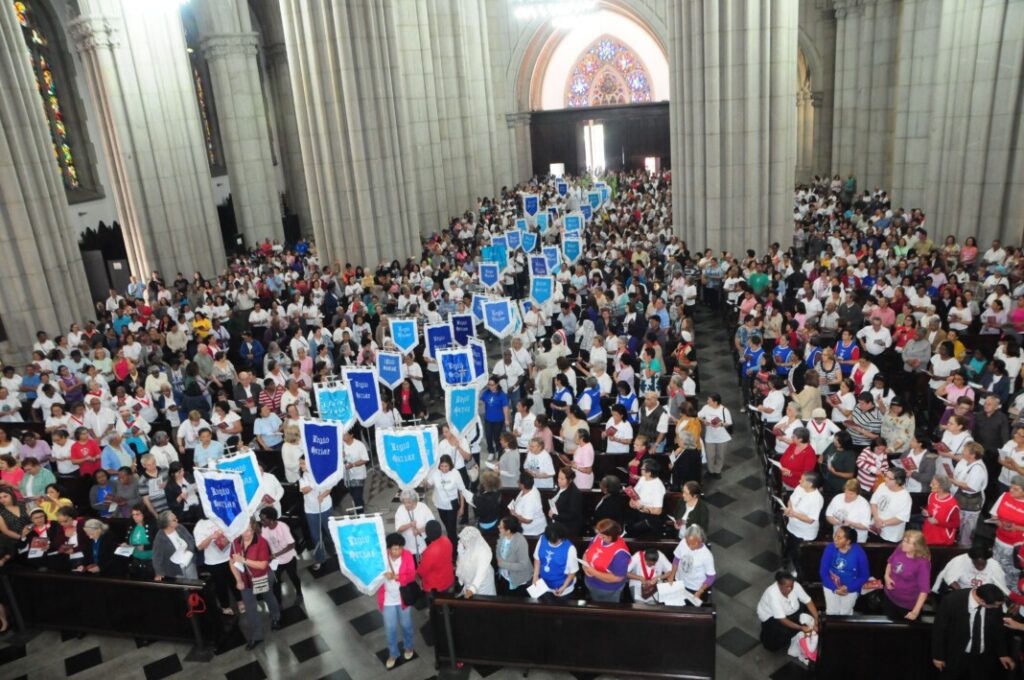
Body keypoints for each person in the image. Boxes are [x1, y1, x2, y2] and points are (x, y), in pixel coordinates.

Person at [931, 584, 1015, 677]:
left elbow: (998, 629)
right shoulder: (952, 600)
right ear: (982, 601)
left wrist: (1002, 653)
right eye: (995, 605)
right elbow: (939, 629)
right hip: (955, 654)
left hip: (983, 656)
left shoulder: (994, 600)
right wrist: (938, 656)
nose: (997, 607)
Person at [230, 518, 282, 651]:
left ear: (253, 529)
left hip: (262, 577)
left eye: (248, 530)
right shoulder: (236, 542)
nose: (246, 533)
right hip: (246, 581)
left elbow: (263, 565)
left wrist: (244, 560)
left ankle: (275, 617)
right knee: (250, 607)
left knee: (268, 596)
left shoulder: (261, 542)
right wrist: (238, 580)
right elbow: (232, 561)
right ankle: (257, 635)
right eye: (243, 530)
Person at [756, 571, 820, 666]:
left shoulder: (795, 585)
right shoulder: (772, 594)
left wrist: (817, 620)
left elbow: (808, 601)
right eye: (787, 587)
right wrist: (801, 628)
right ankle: (766, 633)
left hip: (791, 611)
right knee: (773, 645)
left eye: (791, 586)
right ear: (779, 585)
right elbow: (782, 619)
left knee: (803, 621)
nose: (790, 589)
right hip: (772, 618)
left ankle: (796, 633)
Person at [819, 526, 870, 615]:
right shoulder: (830, 548)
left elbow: (864, 575)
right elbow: (823, 572)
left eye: (839, 537)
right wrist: (834, 588)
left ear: (848, 541)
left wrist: (848, 587)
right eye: (835, 535)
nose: (835, 539)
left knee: (845, 613)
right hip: (831, 585)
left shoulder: (859, 552)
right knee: (832, 612)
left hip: (851, 587)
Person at [194, 510, 236, 615]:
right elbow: (200, 547)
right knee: (220, 585)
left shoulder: (220, 517)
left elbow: (232, 531)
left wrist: (226, 535)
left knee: (234, 580)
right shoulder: (200, 526)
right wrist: (211, 537)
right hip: (214, 561)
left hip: (229, 556)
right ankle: (225, 606)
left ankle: (240, 600)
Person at [988, 474, 1024, 595]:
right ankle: (993, 591)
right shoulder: (1005, 496)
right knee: (995, 567)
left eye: (1016, 489)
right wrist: (999, 523)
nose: (1011, 490)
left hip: (1017, 547)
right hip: (999, 540)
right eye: (1011, 487)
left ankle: (1010, 596)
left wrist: (1017, 527)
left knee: (1012, 573)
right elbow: (994, 515)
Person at [883, 529, 931, 621]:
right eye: (904, 541)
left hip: (907, 604)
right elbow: (890, 562)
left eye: (908, 543)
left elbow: (924, 590)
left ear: (917, 546)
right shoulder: (900, 548)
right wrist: (887, 577)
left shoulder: (922, 563)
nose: (903, 544)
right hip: (890, 597)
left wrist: (915, 612)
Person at [259, 507, 302, 606]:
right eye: (261, 519)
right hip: (276, 560)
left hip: (289, 558)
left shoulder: (282, 527)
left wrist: (275, 554)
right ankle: (278, 602)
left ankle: (299, 593)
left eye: (263, 519)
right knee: (276, 580)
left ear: (271, 520)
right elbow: (263, 542)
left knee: (293, 576)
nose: (261, 521)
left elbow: (292, 544)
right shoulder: (264, 528)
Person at [785, 472, 824, 577]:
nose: (799, 481)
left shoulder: (816, 499)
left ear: (810, 484)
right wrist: (789, 508)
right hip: (792, 526)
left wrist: (794, 514)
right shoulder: (800, 488)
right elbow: (791, 500)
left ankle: (800, 575)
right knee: (791, 548)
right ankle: (788, 564)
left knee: (800, 556)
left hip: (804, 533)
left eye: (802, 480)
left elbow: (810, 520)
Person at [298, 456, 334, 571]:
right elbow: (304, 490)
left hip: (325, 507)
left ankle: (339, 552)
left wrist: (322, 496)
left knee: (331, 532)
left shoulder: (322, 472)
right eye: (300, 463)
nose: (301, 466)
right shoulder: (303, 476)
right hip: (311, 510)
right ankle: (320, 558)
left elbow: (329, 488)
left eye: (303, 463)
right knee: (315, 536)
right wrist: (314, 483)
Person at [582, 519, 630, 602]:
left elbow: (618, 578)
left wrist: (593, 572)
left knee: (608, 607)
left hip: (607, 589)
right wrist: (584, 566)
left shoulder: (620, 554)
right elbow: (587, 552)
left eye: (602, 536)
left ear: (610, 537)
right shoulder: (598, 537)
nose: (599, 537)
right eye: (598, 534)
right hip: (591, 583)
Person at [932, 545, 1009, 595]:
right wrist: (963, 594)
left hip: (985, 595)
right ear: (972, 560)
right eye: (978, 564)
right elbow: (949, 578)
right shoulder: (960, 560)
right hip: (962, 592)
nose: (980, 567)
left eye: (983, 564)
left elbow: (1001, 586)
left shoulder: (994, 565)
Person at [667, 524, 715, 603]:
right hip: (680, 581)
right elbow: (676, 559)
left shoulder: (707, 555)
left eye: (693, 544)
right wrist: (672, 576)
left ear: (700, 540)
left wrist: (700, 591)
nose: (689, 547)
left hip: (694, 588)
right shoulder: (683, 542)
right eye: (688, 543)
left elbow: (711, 577)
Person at [423, 454, 465, 544]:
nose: (444, 468)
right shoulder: (435, 472)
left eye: (446, 466)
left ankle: (453, 548)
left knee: (451, 529)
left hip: (451, 505)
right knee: (448, 526)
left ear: (450, 465)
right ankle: (453, 540)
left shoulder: (455, 473)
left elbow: (462, 491)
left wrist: (462, 507)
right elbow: (428, 485)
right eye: (442, 466)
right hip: (440, 505)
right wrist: (423, 479)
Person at [531, 522, 578, 599]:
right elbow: (537, 559)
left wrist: (563, 587)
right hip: (543, 585)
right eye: (550, 540)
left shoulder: (570, 549)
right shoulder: (542, 539)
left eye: (555, 541)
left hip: (562, 587)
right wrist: (535, 576)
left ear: (561, 537)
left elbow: (572, 572)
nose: (552, 543)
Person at [151, 510, 197, 580]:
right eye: (174, 520)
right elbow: (157, 557)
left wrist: (189, 551)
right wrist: (159, 573)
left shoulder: (180, 527)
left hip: (189, 562)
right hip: (175, 569)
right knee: (182, 585)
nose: (177, 520)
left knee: (194, 583)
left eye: (176, 518)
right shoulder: (160, 538)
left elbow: (190, 539)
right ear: (167, 524)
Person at [870, 468, 912, 543]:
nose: (885, 479)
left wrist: (883, 523)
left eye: (889, 478)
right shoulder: (882, 486)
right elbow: (874, 503)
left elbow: (901, 518)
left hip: (891, 536)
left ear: (898, 481)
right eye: (886, 476)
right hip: (875, 528)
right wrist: (876, 518)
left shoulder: (905, 496)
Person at [825, 478, 872, 544]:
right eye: (846, 492)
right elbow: (828, 515)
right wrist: (838, 523)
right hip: (838, 538)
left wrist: (851, 524)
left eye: (851, 494)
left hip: (856, 540)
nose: (847, 495)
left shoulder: (864, 505)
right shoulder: (837, 498)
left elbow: (865, 526)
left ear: (857, 493)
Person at [627, 458, 665, 538]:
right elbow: (635, 492)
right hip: (638, 514)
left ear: (649, 472)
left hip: (650, 520)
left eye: (643, 468)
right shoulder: (643, 478)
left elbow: (658, 511)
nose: (640, 469)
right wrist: (632, 501)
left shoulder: (657, 486)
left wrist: (641, 507)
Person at [493, 516, 531, 596]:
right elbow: (498, 548)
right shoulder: (502, 535)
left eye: (501, 527)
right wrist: (499, 559)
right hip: (504, 575)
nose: (498, 527)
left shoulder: (520, 542)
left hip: (517, 578)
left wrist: (503, 564)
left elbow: (522, 565)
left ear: (508, 531)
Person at [697, 393, 732, 478]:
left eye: (709, 400)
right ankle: (711, 470)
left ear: (715, 402)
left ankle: (717, 471)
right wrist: (704, 420)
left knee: (720, 455)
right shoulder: (706, 408)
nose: (707, 401)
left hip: (722, 437)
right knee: (710, 455)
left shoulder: (724, 410)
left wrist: (720, 424)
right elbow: (698, 415)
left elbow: (729, 422)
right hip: (710, 437)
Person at [455, 526, 495, 597]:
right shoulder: (467, 546)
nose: (461, 542)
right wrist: (460, 549)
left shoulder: (483, 552)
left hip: (483, 582)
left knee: (483, 599)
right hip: (470, 578)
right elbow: (461, 558)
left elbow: (480, 573)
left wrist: (472, 589)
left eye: (464, 541)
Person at [416, 520, 454, 595]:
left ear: (428, 534)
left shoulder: (429, 551)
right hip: (448, 579)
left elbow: (422, 571)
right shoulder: (446, 540)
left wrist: (416, 575)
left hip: (435, 586)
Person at [394, 489, 435, 558]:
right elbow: (398, 529)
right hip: (408, 545)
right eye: (404, 502)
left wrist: (419, 530)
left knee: (425, 562)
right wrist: (409, 525)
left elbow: (432, 524)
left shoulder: (423, 507)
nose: (406, 505)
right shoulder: (400, 509)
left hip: (423, 544)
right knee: (412, 563)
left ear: (415, 501)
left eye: (409, 502)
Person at [509, 472, 547, 537]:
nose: (517, 482)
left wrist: (514, 514)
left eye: (519, 481)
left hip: (533, 532)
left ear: (522, 485)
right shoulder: (529, 488)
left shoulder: (530, 500)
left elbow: (528, 520)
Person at [549, 467, 584, 537]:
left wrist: (554, 516)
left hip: (568, 528)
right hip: (559, 523)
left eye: (562, 479)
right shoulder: (561, 486)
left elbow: (572, 515)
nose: (559, 480)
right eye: (558, 477)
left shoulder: (575, 494)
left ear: (570, 480)